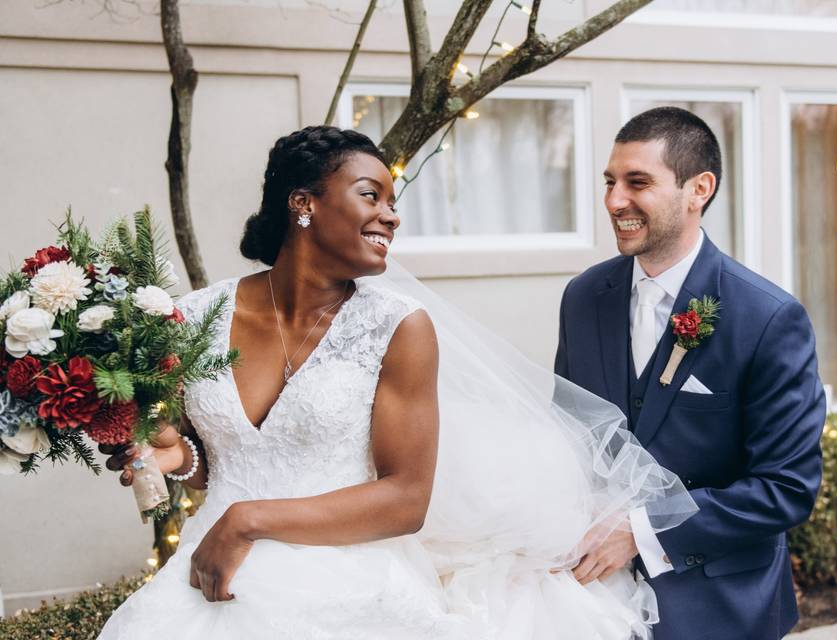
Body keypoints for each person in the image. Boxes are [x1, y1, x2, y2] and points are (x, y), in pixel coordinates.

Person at [96, 125, 695, 639]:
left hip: (347, 583)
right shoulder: (193, 318)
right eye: (369, 195)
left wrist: (248, 519)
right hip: (205, 581)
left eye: (392, 199)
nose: (391, 213)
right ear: (303, 205)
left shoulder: (398, 328)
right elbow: (218, 462)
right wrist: (175, 456)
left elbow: (406, 499)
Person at [554, 106, 825, 639]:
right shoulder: (583, 297)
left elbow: (786, 488)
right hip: (588, 601)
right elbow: (567, 435)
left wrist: (637, 532)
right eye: (610, 182)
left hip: (720, 604)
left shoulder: (768, 317)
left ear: (698, 188)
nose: (614, 201)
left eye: (638, 183)